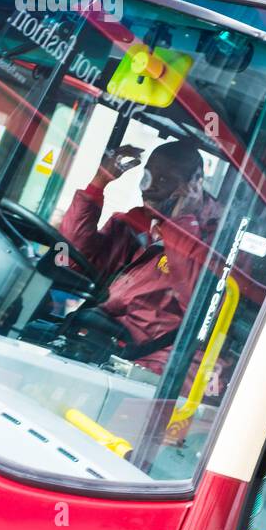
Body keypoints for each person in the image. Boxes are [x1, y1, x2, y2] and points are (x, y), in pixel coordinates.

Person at [60, 139, 220, 374]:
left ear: (194, 185)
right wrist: (99, 183)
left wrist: (183, 220)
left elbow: (196, 302)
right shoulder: (135, 223)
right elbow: (72, 259)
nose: (150, 186)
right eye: (148, 175)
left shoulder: (214, 239)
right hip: (100, 338)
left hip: (152, 366)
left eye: (164, 179)